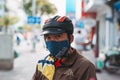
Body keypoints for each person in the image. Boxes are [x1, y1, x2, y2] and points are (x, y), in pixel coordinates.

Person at [32, 15, 97, 80]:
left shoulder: (85, 67)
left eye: (58, 36)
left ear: (71, 39)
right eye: (48, 37)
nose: (52, 41)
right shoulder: (42, 63)